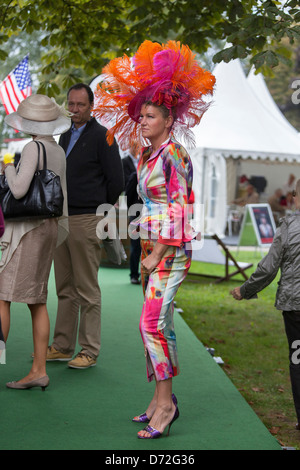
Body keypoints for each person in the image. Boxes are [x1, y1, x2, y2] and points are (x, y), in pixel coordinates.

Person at [94, 39, 215, 438]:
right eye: (140, 115)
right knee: (157, 325)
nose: (141, 121)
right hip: (150, 245)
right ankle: (159, 399)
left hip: (170, 249)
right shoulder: (148, 155)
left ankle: (166, 406)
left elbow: (181, 209)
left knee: (151, 324)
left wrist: (155, 252)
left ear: (167, 119)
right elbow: (150, 200)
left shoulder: (175, 155)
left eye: (149, 116)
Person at [47, 83, 124, 370]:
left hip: (87, 219)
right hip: (62, 219)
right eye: (71, 104)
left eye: (80, 105)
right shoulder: (64, 134)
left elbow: (116, 180)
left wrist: (97, 209)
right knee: (64, 287)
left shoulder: (104, 136)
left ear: (91, 106)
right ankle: (62, 345)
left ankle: (89, 350)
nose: (75, 110)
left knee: (87, 289)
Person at [0, 94, 71, 390]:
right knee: (37, 300)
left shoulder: (33, 147)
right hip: (49, 228)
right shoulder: (57, 149)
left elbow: (17, 190)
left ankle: (23, 365)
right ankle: (39, 369)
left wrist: (7, 168)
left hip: (27, 230)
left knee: (2, 295)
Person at [230, 180, 300, 429]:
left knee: (298, 358)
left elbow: (269, 268)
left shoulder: (290, 225)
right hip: (294, 302)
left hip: (295, 304)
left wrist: (245, 290)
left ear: (295, 198)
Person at [122, 142, 142, 284]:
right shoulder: (134, 174)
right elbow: (128, 194)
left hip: (149, 213)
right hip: (136, 212)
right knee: (136, 246)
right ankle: (134, 275)